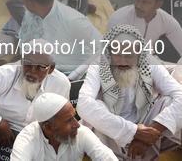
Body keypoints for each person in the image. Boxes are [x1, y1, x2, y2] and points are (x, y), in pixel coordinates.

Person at [78, 24, 182, 160]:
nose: (122, 61)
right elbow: (83, 104)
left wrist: (147, 134)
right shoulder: (99, 66)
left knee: (168, 101)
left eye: (128, 55)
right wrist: (133, 132)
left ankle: (144, 143)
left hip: (145, 123)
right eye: (117, 55)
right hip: (109, 131)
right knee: (96, 105)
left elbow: (179, 95)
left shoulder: (150, 63)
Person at [16, 0, 101, 75]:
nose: (23, 3)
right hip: (38, 71)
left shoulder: (73, 20)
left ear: (30, 3)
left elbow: (105, 50)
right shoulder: (30, 14)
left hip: (71, 76)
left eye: (23, 0)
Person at [11, 93, 118, 160]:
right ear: (49, 128)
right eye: (68, 121)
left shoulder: (80, 133)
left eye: (74, 117)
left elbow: (106, 157)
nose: (76, 125)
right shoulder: (27, 139)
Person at [109, 0, 182, 59]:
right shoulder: (119, 19)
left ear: (158, 5)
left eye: (145, 2)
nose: (138, 5)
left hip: (147, 60)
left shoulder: (167, 21)